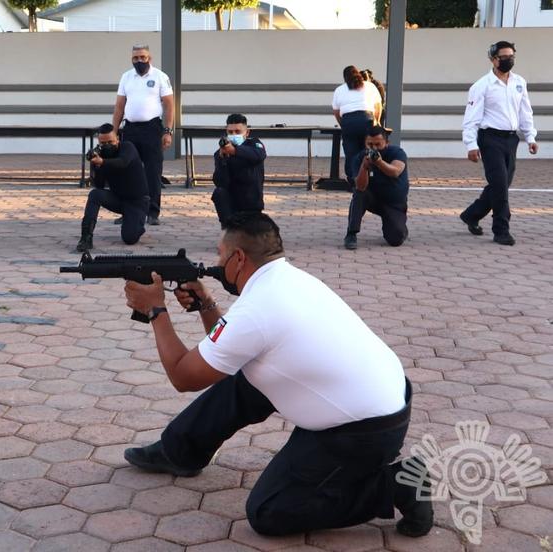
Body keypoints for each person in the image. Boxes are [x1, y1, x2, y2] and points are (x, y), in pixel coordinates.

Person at [121, 212, 432, 539]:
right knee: (243, 380)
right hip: (382, 400)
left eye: (219, 254)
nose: (215, 262)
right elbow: (226, 349)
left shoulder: (256, 309)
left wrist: (155, 309)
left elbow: (183, 377)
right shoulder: (290, 279)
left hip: (362, 433)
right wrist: (205, 305)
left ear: (238, 258)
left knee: (269, 512)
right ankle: (179, 452)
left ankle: (398, 485)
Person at [460, 40, 538, 246]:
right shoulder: (481, 86)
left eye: (511, 56)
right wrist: (471, 145)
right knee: (500, 186)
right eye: (504, 57)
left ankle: (471, 214)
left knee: (501, 184)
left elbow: (525, 112)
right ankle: (501, 229)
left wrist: (530, 137)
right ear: (493, 59)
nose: (508, 60)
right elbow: (471, 118)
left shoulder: (519, 82)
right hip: (490, 139)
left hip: (511, 139)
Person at [112, 44, 174, 226]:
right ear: (132, 59)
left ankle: (152, 212)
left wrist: (168, 131)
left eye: (143, 57)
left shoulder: (160, 77)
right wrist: (114, 132)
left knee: (152, 171)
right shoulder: (126, 77)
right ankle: (127, 211)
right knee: (127, 171)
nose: (139, 61)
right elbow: (119, 106)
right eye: (136, 58)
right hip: (130, 129)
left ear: (150, 58)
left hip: (152, 129)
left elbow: (169, 105)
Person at [76, 123, 149, 252]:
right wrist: (97, 167)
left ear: (118, 139)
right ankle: (86, 237)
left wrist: (103, 162)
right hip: (118, 198)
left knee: (129, 238)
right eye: (103, 143)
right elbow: (99, 185)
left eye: (111, 142)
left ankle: (137, 221)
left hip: (137, 202)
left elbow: (123, 162)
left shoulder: (127, 147)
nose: (108, 146)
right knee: (94, 194)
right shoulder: (101, 156)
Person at [343, 126, 409, 250]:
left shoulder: (397, 153)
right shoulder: (360, 158)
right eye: (370, 144)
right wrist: (364, 167)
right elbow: (360, 186)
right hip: (373, 199)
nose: (374, 148)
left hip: (393, 203)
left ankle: (399, 226)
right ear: (365, 144)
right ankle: (351, 233)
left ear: (387, 143)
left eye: (378, 144)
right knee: (359, 193)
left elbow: (395, 171)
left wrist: (379, 162)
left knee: (396, 238)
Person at [212, 113, 267, 228]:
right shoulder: (221, 153)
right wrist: (223, 160)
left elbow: (259, 155)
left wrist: (235, 151)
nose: (234, 135)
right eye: (230, 132)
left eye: (238, 132)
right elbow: (219, 182)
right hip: (232, 206)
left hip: (251, 204)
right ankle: (228, 229)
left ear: (247, 133)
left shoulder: (254, 144)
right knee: (219, 193)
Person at [332, 66, 382, 183]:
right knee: (368, 149)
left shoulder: (340, 89)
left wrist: (343, 124)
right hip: (367, 120)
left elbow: (336, 111)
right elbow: (378, 106)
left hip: (349, 121)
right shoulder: (370, 86)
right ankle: (368, 178)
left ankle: (353, 180)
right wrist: (377, 121)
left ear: (345, 78)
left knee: (351, 152)